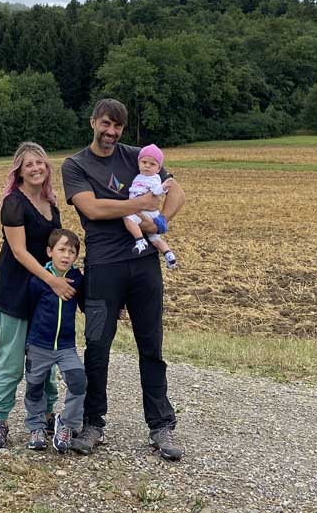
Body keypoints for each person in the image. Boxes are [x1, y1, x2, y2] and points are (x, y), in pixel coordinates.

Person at [61, 99, 187, 460]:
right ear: (92, 123)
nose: (111, 132)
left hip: (144, 266)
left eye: (117, 126)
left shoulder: (139, 156)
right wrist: (137, 206)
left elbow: (177, 191)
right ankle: (93, 423)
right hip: (103, 268)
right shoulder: (76, 165)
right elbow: (93, 208)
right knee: (97, 345)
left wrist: (158, 222)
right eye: (105, 124)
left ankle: (161, 425)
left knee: (151, 346)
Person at [0, 141, 76, 451]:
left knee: (45, 359)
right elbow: (20, 252)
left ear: (47, 168)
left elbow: (59, 250)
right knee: (11, 361)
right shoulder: (13, 202)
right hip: (15, 290)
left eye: (40, 163)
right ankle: (0, 420)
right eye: (29, 165)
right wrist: (53, 280)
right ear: (19, 172)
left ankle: (47, 414)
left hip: (43, 295)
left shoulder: (52, 207)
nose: (36, 168)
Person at [22, 228, 87, 453]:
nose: (66, 255)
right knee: (35, 385)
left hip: (66, 346)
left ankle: (66, 425)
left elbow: (86, 303)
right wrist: (27, 343)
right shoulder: (39, 279)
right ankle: (36, 427)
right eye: (61, 249)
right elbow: (28, 309)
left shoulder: (78, 279)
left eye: (72, 251)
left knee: (78, 380)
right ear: (50, 252)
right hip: (39, 344)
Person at [123, 144, 178, 269]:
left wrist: (163, 187)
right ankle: (168, 254)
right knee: (155, 238)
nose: (147, 165)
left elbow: (156, 191)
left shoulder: (154, 178)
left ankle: (140, 240)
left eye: (152, 164)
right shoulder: (140, 176)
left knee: (128, 218)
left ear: (159, 169)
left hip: (145, 211)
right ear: (139, 163)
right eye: (144, 162)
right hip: (147, 211)